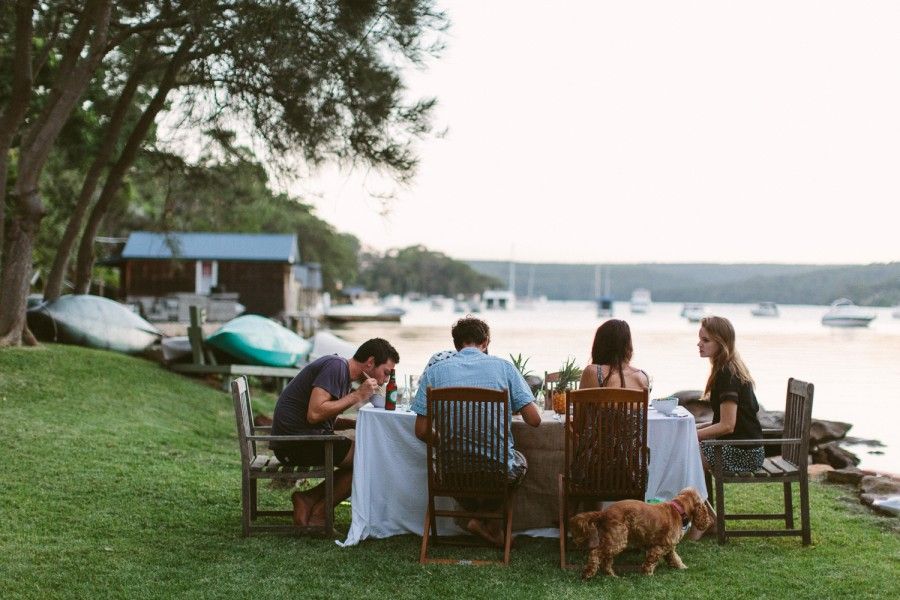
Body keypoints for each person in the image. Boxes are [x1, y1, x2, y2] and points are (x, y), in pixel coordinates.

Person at [411, 317, 541, 546]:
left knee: (464, 470)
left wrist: (445, 441)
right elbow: (534, 420)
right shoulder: (504, 368)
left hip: (451, 473)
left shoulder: (435, 372)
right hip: (496, 472)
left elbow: (421, 430)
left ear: (456, 344)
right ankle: (486, 520)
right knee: (519, 462)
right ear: (486, 341)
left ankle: (479, 519)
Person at [270, 337, 400, 527]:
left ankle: (308, 500)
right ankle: (319, 512)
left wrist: (354, 423)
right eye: (385, 372)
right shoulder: (336, 366)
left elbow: (324, 414)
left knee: (366, 456)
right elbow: (315, 414)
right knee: (369, 458)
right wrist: (357, 395)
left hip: (298, 440)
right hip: (294, 444)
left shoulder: (341, 371)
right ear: (370, 362)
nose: (386, 379)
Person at [690, 316, 763, 539]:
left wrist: (692, 436)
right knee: (690, 452)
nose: (699, 344)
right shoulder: (726, 367)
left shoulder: (727, 374)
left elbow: (727, 426)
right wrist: (691, 428)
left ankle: (705, 520)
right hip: (742, 447)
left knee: (689, 455)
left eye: (706, 340)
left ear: (721, 343)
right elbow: (720, 422)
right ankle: (706, 518)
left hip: (744, 452)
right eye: (699, 339)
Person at [579, 319, 651, 391]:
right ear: (628, 346)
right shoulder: (642, 377)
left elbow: (579, 402)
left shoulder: (593, 372)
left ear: (599, 346)